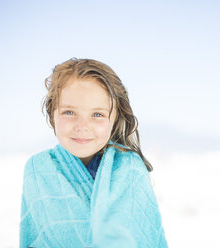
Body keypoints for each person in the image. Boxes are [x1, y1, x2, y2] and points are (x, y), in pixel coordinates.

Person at [19, 58, 168, 248]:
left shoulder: (130, 168)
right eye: (69, 112)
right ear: (52, 113)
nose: (82, 126)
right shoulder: (38, 169)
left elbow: (137, 236)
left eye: (97, 114)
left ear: (114, 119)